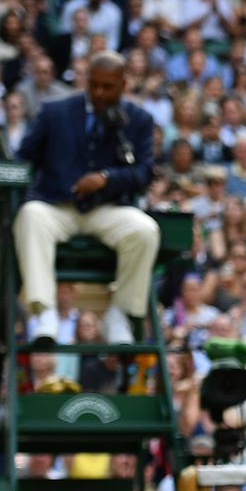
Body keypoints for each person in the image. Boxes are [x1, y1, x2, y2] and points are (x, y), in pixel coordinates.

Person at [13, 50, 159, 345]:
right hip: (58, 207)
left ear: (124, 84)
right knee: (30, 215)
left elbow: (145, 173)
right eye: (94, 84)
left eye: (108, 86)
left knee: (145, 231)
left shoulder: (139, 119)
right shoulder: (55, 111)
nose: (99, 92)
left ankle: (119, 314)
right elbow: (23, 160)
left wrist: (107, 178)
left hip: (107, 209)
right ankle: (44, 312)